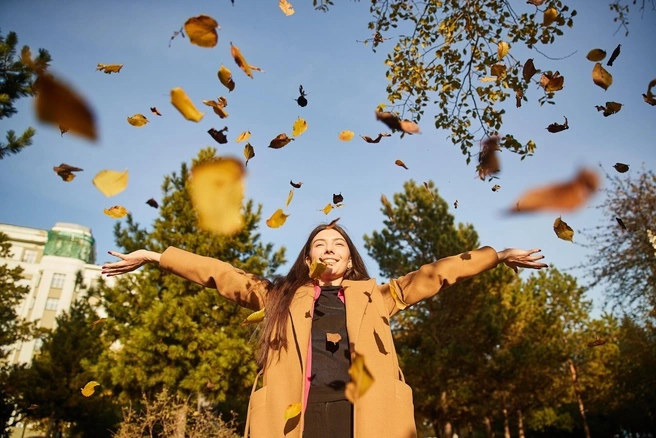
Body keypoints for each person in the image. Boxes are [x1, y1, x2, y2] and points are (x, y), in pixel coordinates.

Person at [102, 223, 547, 438]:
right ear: (307, 256)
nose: (329, 249)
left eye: (338, 245)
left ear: (350, 260)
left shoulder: (380, 295)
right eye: (320, 243)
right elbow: (224, 275)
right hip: (297, 417)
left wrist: (499, 254)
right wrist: (158, 257)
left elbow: (436, 274)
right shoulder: (278, 296)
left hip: (365, 418)